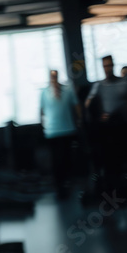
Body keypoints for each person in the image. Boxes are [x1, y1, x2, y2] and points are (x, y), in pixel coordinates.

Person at [86, 55, 127, 188]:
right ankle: (113, 195)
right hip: (107, 131)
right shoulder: (99, 85)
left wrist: (125, 109)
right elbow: (88, 104)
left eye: (109, 65)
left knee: (126, 163)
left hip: (124, 128)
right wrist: (99, 114)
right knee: (110, 165)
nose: (107, 68)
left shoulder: (123, 83)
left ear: (113, 65)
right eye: (105, 66)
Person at [39, 70, 81, 200]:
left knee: (67, 159)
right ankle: (59, 188)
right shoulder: (44, 93)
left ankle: (68, 185)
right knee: (56, 161)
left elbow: (77, 107)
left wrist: (80, 121)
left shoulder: (68, 90)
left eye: (55, 76)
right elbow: (41, 111)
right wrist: (43, 126)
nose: (54, 78)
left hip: (67, 130)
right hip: (52, 132)